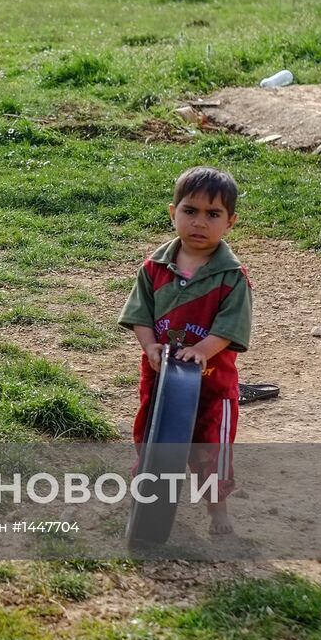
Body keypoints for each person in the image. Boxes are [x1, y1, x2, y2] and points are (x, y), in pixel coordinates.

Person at [118, 167, 253, 535]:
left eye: (213, 214)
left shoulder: (232, 276)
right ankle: (149, 499)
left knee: (212, 449)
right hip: (161, 380)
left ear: (230, 222)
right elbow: (140, 315)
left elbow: (230, 327)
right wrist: (149, 347)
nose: (200, 222)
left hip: (213, 385)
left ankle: (217, 509)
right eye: (190, 211)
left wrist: (204, 350)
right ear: (172, 212)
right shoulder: (153, 268)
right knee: (151, 439)